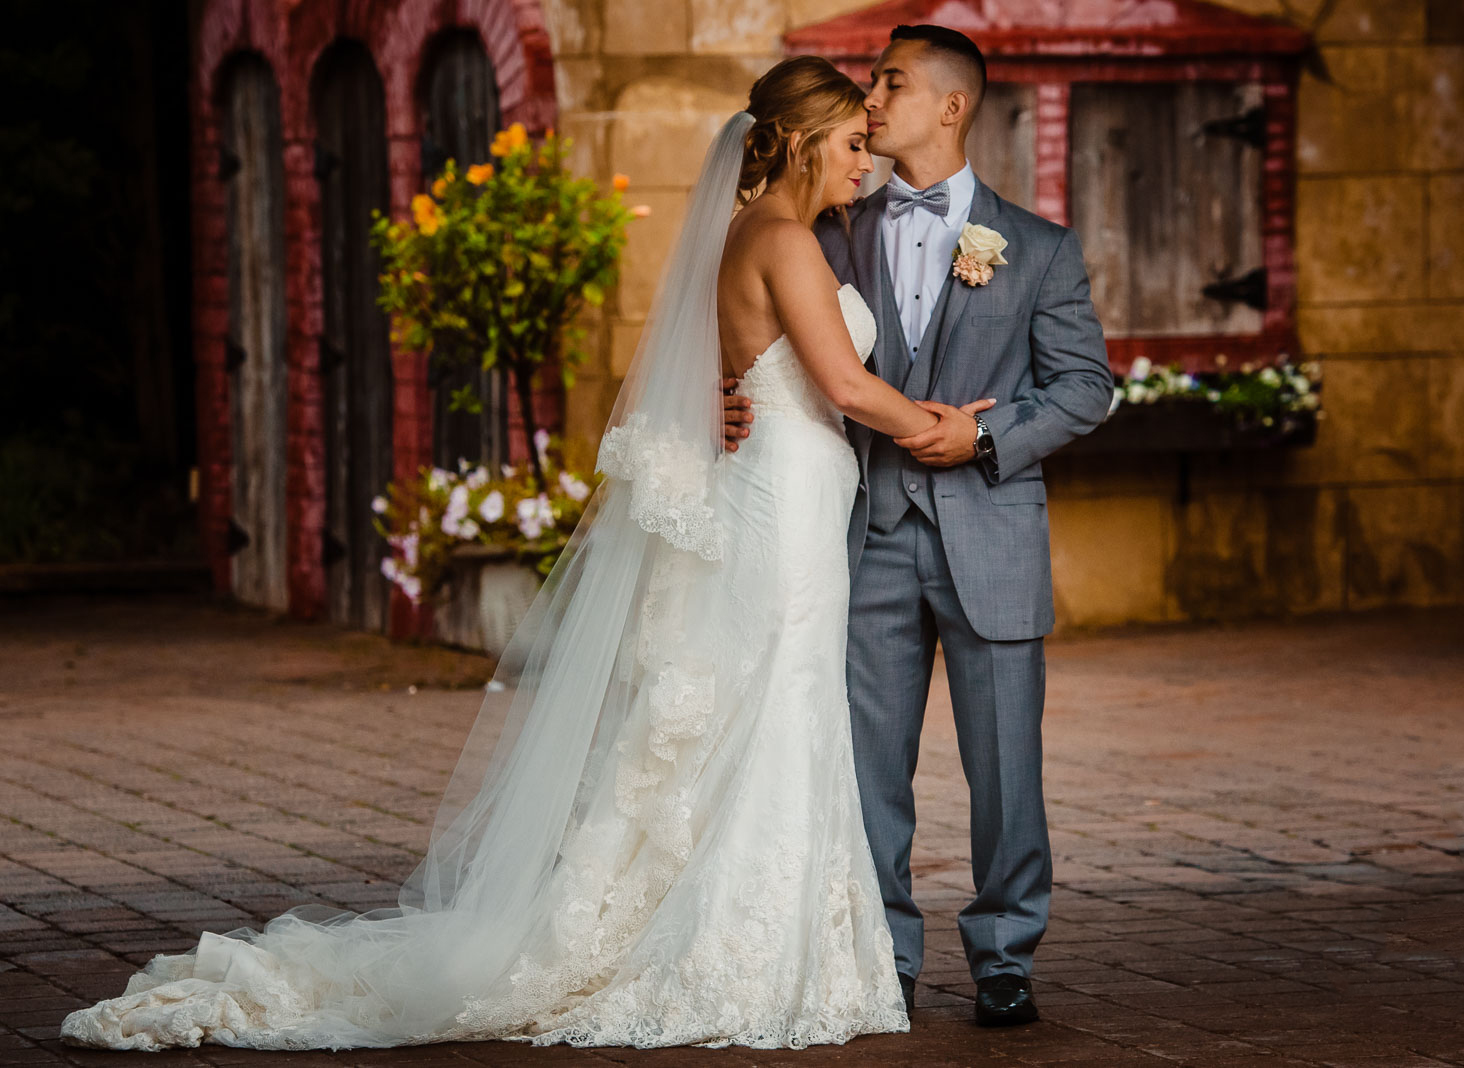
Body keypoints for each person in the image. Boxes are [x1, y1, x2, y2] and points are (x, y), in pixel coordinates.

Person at [59, 56, 982, 1053]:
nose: (865, 161)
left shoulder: (749, 234)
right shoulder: (783, 242)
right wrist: (949, 428)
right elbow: (845, 386)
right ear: (801, 143)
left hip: (781, 493)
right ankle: (741, 950)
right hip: (785, 504)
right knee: (776, 701)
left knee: (763, 703)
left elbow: (752, 376)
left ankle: (752, 930)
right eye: (852, 143)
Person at [724, 25, 1113, 1028]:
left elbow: (1083, 391)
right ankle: (881, 954)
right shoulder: (824, 224)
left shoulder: (1037, 248)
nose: (871, 98)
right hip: (866, 532)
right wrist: (730, 390)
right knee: (864, 768)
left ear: (950, 104)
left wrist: (983, 441)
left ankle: (1004, 957)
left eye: (890, 82)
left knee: (1004, 772)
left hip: (993, 533)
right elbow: (757, 332)